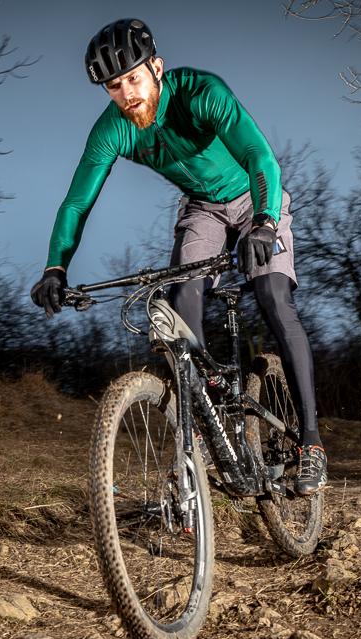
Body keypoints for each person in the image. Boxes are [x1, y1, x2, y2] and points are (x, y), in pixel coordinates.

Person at [29, 18, 326, 495]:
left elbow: (260, 157)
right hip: (202, 209)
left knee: (273, 298)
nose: (127, 94)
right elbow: (77, 202)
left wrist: (267, 223)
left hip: (256, 197)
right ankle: (209, 424)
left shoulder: (200, 92)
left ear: (157, 69)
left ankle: (311, 442)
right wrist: (55, 267)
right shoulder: (113, 130)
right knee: (179, 302)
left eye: (134, 78)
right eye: (114, 86)